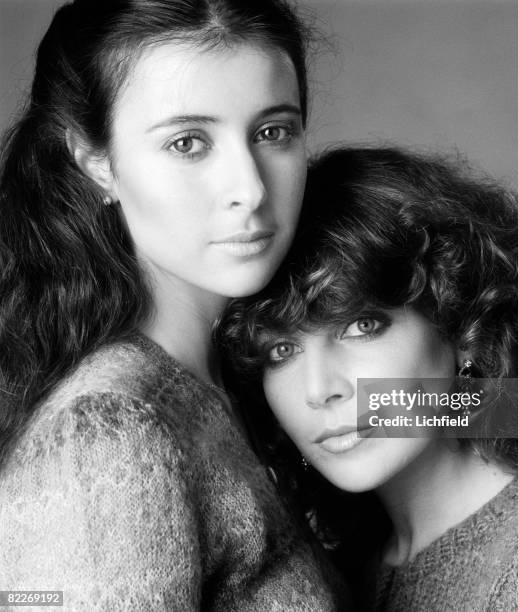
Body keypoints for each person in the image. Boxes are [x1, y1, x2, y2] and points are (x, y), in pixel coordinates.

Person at [0, 1, 347, 609]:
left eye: (272, 132)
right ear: (96, 161)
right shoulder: (108, 437)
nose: (250, 189)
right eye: (188, 143)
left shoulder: (256, 362)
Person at [219, 146, 518, 611]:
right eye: (281, 351)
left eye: (362, 326)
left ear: (463, 328)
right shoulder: (352, 566)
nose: (319, 390)